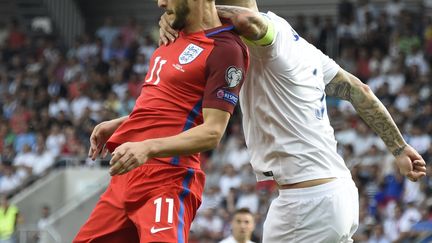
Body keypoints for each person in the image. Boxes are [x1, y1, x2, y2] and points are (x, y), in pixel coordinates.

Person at [159, 1, 427, 242]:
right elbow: (360, 91)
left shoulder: (266, 40)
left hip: (306, 203)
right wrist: (399, 148)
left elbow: (245, 21)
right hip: (338, 191)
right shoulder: (303, 48)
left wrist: (196, 13)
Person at [73, 0, 249, 242]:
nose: (160, 3)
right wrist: (125, 122)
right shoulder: (171, 34)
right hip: (125, 179)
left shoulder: (225, 49)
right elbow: (172, 105)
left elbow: (212, 132)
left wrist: (148, 146)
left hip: (168, 180)